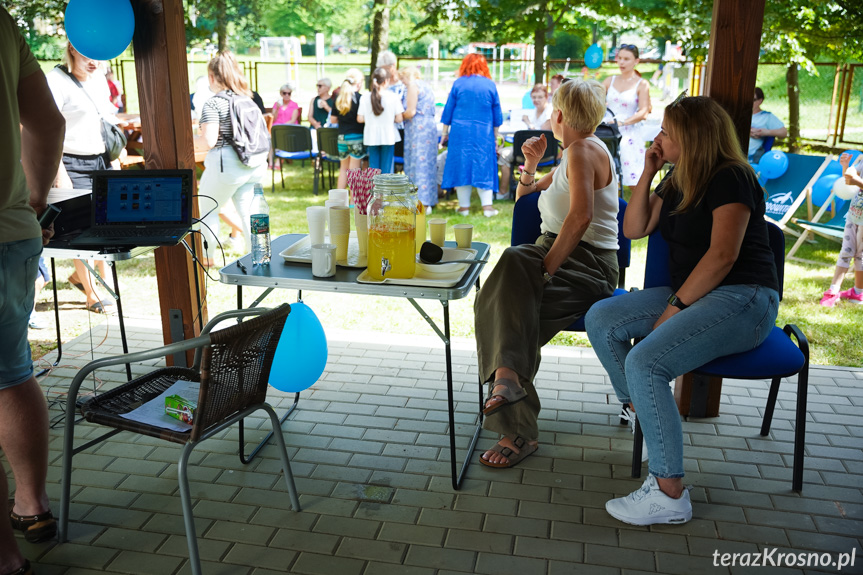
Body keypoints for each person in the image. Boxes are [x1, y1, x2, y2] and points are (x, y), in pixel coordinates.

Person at [585, 96, 780, 526]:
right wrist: (650, 170)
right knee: (601, 318)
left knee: (645, 361)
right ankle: (643, 410)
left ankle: (669, 493)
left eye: (667, 132)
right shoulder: (677, 177)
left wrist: (673, 309)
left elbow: (723, 256)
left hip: (744, 297)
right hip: (695, 291)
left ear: (692, 138)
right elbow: (633, 229)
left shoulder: (732, 178)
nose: (658, 137)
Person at [475, 79, 620, 469]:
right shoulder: (575, 152)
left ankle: (517, 427)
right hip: (554, 253)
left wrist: (545, 271)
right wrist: (531, 166)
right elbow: (526, 199)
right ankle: (507, 385)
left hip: (586, 264)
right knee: (511, 304)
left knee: (510, 307)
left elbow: (582, 216)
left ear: (557, 115)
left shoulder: (583, 152)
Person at [1, 7, 66, 573]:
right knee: (12, 372)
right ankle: (33, 506)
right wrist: (36, 199)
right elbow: (47, 123)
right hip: (11, 233)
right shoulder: (0, 20)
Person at [47, 42, 126, 314]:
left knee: (105, 225)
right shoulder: (56, 80)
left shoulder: (100, 77)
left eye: (99, 55)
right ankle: (92, 294)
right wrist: (61, 175)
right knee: (81, 230)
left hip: (100, 159)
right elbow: (48, 131)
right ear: (72, 47)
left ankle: (93, 281)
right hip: (70, 161)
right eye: (87, 53)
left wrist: (113, 159)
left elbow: (105, 120)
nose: (94, 61)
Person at [197, 51, 269, 265]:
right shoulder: (247, 99)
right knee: (249, 212)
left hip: (227, 164)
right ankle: (259, 257)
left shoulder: (213, 103)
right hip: (254, 164)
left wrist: (186, 140)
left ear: (212, 77)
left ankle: (207, 259)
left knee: (207, 208)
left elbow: (208, 141)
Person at [441, 54, 503, 217]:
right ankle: (487, 208)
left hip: (460, 133)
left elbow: (448, 110)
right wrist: (495, 137)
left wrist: (444, 133)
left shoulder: (458, 83)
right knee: (484, 165)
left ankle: (464, 208)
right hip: (484, 133)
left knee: (462, 166)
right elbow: (497, 114)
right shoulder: (489, 85)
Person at [602, 44, 651, 189]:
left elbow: (644, 112)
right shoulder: (609, 80)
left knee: (633, 181)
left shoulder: (641, 84)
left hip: (629, 132)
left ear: (636, 61)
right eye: (620, 58)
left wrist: (622, 123)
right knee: (606, 180)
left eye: (626, 59)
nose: (621, 62)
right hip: (607, 131)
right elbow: (593, 99)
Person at [820, 152, 863, 307]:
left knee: (860, 255)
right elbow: (851, 177)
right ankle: (834, 291)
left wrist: (857, 181)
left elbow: (856, 181)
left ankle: (858, 292)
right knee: (847, 250)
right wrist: (846, 167)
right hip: (854, 214)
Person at [497, 84, 553, 198]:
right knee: (503, 152)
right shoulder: (533, 112)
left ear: (546, 97)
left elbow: (542, 135)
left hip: (545, 152)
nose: (536, 100)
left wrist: (528, 123)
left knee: (504, 155)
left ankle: (504, 192)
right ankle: (505, 191)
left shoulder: (550, 112)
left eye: (540, 97)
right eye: (534, 97)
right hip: (532, 150)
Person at [399, 67, 438, 213]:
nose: (402, 83)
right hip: (428, 127)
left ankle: (421, 202)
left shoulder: (412, 86)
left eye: (402, 79)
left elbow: (410, 111)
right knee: (427, 164)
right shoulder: (426, 86)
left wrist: (397, 115)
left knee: (418, 164)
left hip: (417, 128)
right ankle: (428, 200)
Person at [357, 67, 404, 174]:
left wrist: (370, 119)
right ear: (386, 81)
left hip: (371, 135)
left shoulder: (365, 97)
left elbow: (360, 118)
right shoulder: (392, 97)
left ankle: (376, 190)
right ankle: (386, 190)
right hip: (388, 135)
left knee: (374, 168)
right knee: (387, 168)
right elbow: (399, 118)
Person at [330, 68, 367, 189]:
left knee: (343, 169)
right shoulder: (360, 98)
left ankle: (339, 201)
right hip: (356, 137)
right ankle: (353, 202)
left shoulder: (338, 99)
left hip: (341, 137)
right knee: (354, 171)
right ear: (359, 83)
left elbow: (333, 120)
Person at [749, 87, 787, 162]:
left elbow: (784, 132)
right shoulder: (739, 113)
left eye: (753, 100)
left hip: (752, 157)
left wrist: (766, 132)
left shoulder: (766, 116)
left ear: (760, 101)